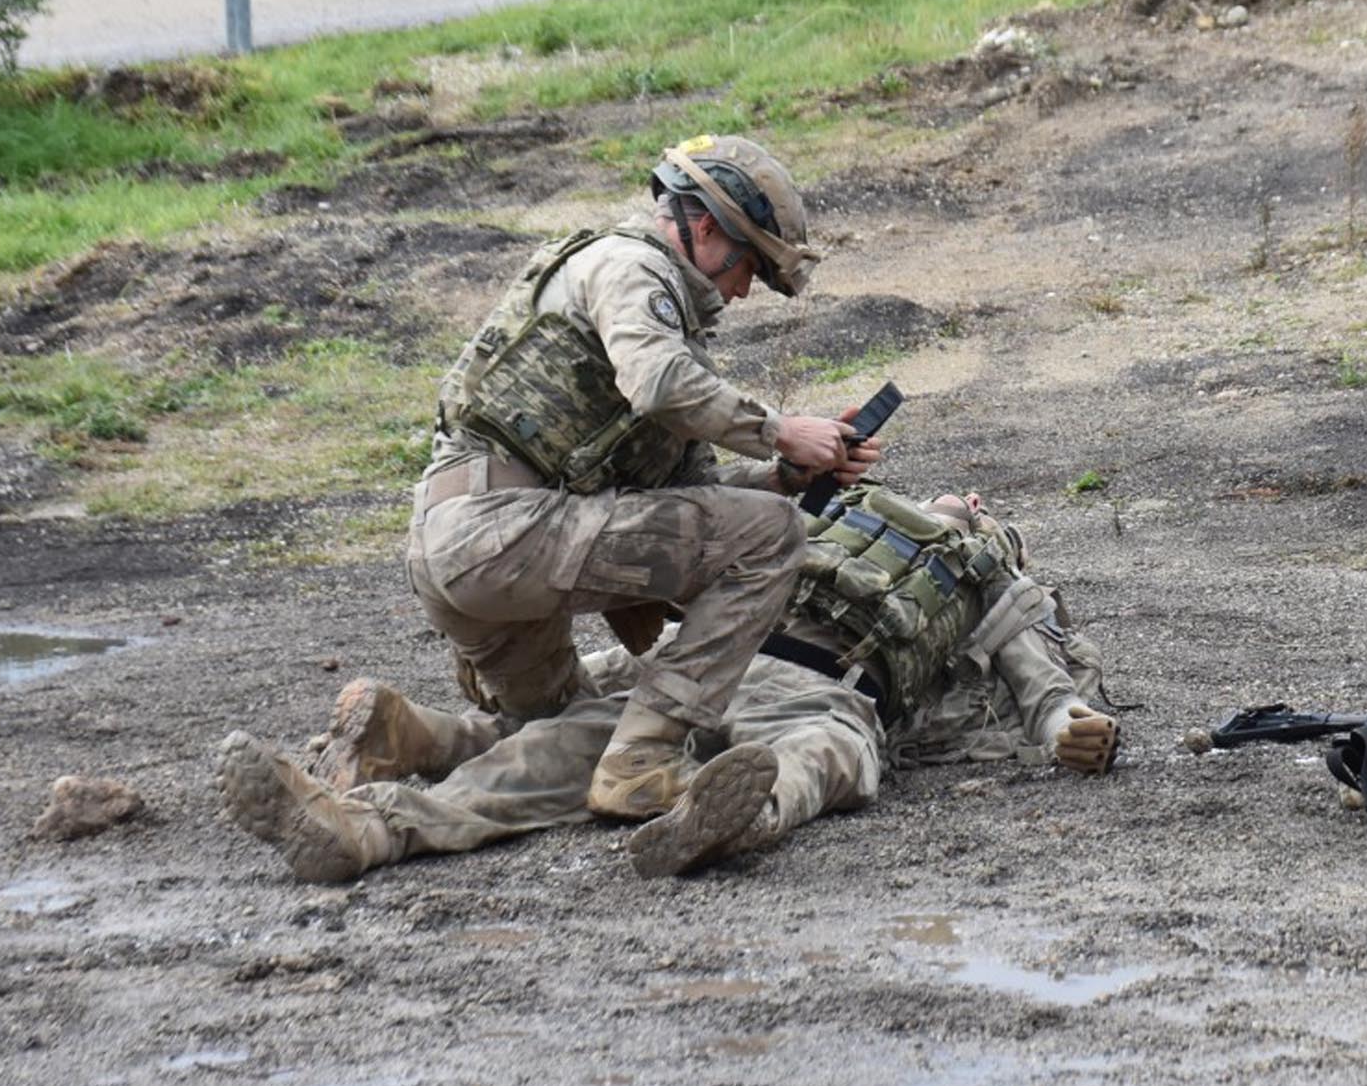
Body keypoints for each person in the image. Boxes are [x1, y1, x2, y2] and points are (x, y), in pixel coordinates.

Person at [215, 486, 1118, 884]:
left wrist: (1073, 725)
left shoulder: (988, 580)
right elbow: (695, 607)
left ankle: (725, 824)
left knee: (816, 760)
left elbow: (1037, 678)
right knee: (550, 754)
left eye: (990, 511)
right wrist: (597, 682)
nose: (972, 502)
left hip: (830, 694)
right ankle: (361, 833)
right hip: (700, 675)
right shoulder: (807, 521)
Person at [382, 131, 876, 833]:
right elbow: (659, 383)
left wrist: (786, 475)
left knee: (563, 730)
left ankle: (387, 761)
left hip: (463, 554)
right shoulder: (629, 267)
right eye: (749, 269)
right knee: (776, 538)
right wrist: (780, 428)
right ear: (704, 227)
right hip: (504, 538)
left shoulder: (634, 296)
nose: (742, 293)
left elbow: (695, 506)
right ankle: (645, 758)